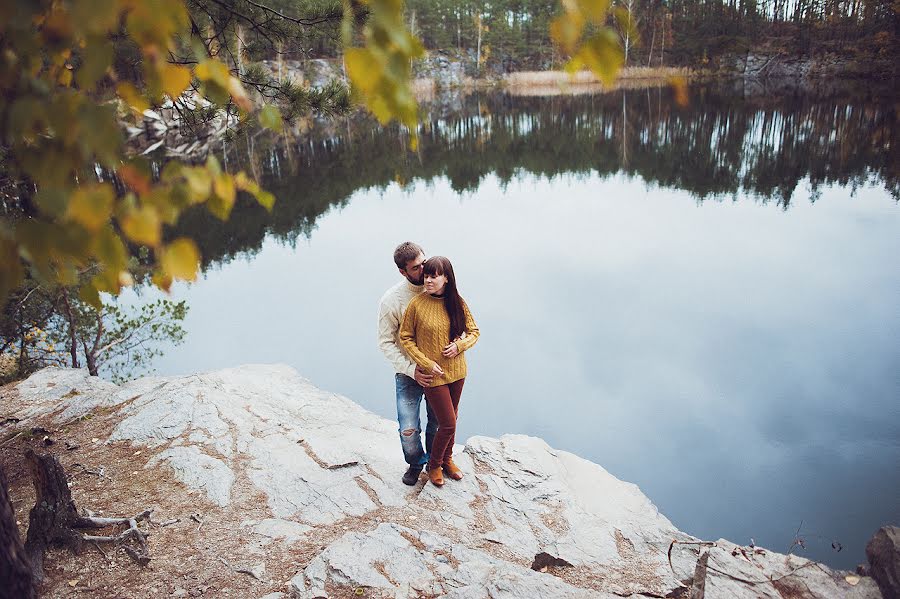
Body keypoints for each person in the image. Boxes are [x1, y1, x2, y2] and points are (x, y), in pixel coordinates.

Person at [399, 256, 480, 487]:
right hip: (433, 375)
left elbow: (474, 331)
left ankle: (447, 459)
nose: (429, 280)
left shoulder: (457, 302)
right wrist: (424, 362)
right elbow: (406, 338)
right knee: (448, 423)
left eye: (434, 276)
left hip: (457, 371)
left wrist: (459, 345)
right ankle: (434, 465)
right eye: (426, 276)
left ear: (446, 278)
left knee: (452, 417)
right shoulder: (417, 304)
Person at [377, 242, 439, 486]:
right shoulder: (391, 300)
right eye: (416, 267)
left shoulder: (438, 287)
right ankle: (415, 463)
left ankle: (435, 462)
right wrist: (411, 370)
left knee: (439, 422)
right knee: (408, 428)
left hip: (437, 371)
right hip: (408, 373)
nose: (424, 270)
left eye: (424, 262)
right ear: (403, 272)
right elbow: (385, 343)